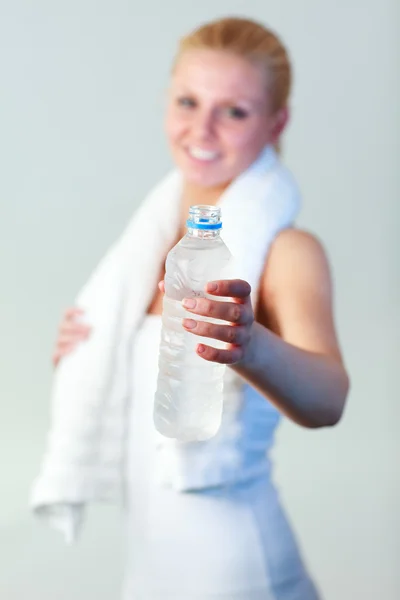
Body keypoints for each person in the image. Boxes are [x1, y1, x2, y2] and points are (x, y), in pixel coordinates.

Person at [51, 16, 349, 600]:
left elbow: (329, 401)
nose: (202, 128)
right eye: (188, 101)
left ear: (275, 122)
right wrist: (84, 351)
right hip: (146, 570)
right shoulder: (149, 246)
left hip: (237, 573)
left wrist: (249, 343)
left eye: (234, 110)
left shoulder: (287, 252)